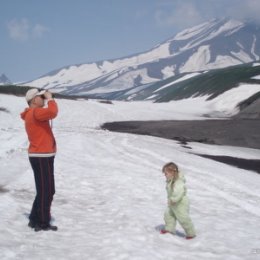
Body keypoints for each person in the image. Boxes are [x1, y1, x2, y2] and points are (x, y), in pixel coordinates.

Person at [21, 88, 58, 232]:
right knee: (46, 191)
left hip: (44, 155)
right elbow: (53, 112)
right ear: (34, 100)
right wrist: (50, 99)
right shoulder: (35, 112)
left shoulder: (34, 113)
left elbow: (50, 114)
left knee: (47, 190)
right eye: (41, 97)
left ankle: (34, 218)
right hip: (41, 156)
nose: (43, 98)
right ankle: (42, 222)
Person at [160, 162, 196, 239]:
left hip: (180, 204)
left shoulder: (178, 182)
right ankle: (169, 229)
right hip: (172, 204)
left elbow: (179, 192)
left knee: (183, 218)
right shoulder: (170, 181)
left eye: (166, 173)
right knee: (168, 215)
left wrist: (173, 199)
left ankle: (191, 233)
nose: (165, 175)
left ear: (172, 173)